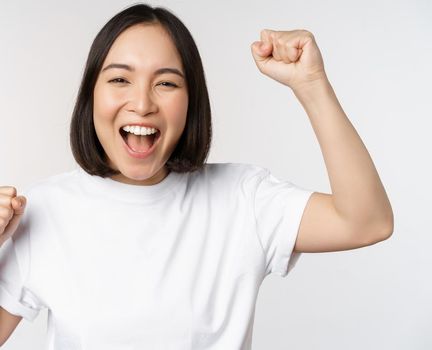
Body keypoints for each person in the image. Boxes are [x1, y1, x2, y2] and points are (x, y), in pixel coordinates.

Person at [0, 3, 393, 349]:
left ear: (192, 102)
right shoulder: (44, 210)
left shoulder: (243, 200)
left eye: (167, 83)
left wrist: (311, 85)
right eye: (120, 79)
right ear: (90, 95)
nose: (141, 103)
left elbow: (366, 222)